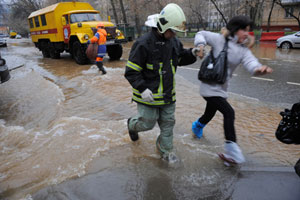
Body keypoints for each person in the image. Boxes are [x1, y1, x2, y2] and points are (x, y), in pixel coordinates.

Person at [192, 16, 273, 164]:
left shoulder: (243, 50)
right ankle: (232, 152)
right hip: (208, 87)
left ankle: (197, 126)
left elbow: (251, 63)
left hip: (221, 89)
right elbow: (201, 33)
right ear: (235, 29)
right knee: (229, 112)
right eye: (244, 30)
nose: (247, 34)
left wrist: (259, 69)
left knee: (210, 113)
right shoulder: (218, 39)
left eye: (248, 31)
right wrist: (201, 46)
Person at [124, 3, 197, 161]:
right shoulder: (143, 44)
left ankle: (166, 151)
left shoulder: (173, 42)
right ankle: (131, 124)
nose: (174, 35)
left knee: (168, 123)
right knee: (147, 124)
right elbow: (131, 71)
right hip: (148, 96)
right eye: (173, 31)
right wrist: (142, 89)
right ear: (163, 27)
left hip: (168, 95)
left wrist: (193, 53)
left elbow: (180, 58)